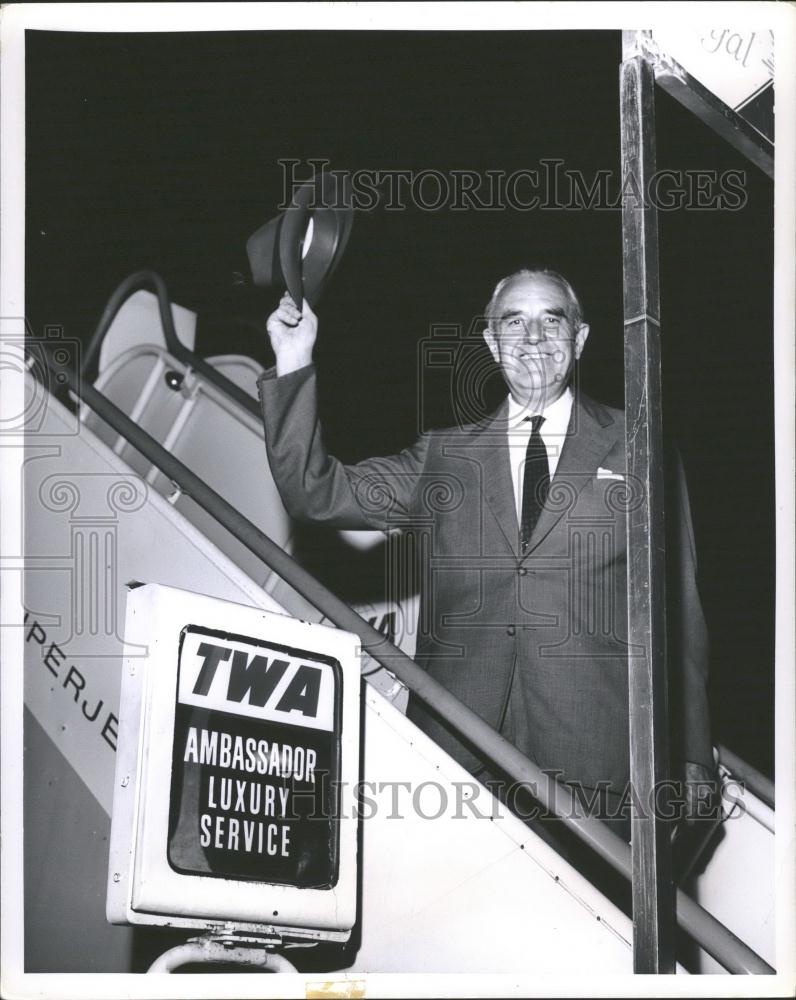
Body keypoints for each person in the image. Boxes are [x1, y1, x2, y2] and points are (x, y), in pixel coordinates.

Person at [258, 269, 717, 844]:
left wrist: (693, 752)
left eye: (552, 320)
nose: (532, 338)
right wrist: (294, 359)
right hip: (454, 759)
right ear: (490, 342)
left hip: (597, 764)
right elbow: (314, 491)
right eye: (513, 322)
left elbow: (679, 607)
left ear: (579, 339)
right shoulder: (445, 454)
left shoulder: (641, 445)